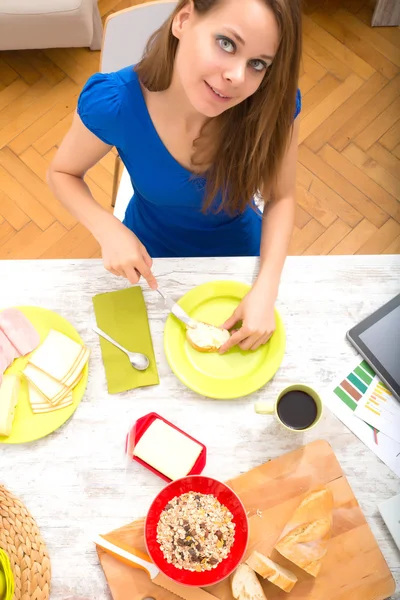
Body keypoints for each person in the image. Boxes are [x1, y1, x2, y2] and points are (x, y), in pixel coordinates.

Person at [47, 0, 302, 354]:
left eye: (258, 64)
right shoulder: (115, 103)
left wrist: (266, 286)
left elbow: (282, 196)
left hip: (241, 260)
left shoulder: (273, 105)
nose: (238, 78)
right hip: (149, 264)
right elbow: (62, 173)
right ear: (183, 20)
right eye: (227, 43)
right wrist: (107, 229)